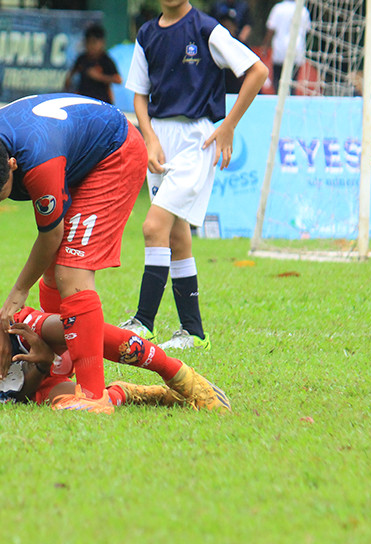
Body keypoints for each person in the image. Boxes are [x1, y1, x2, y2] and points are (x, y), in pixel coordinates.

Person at [0, 93, 149, 413]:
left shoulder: (39, 163)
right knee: (52, 274)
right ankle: (67, 363)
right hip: (75, 154)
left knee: (70, 271)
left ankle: (93, 396)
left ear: (12, 165)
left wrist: (19, 291)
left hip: (114, 152)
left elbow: (51, 235)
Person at [118, 0, 268, 350]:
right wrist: (150, 138)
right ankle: (194, 332)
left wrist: (228, 126)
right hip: (160, 142)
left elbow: (257, 71)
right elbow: (139, 96)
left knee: (153, 226)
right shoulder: (147, 34)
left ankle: (143, 322)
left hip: (195, 142)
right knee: (177, 235)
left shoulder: (206, 29)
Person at [0, 292, 230, 412]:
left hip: (25, 328)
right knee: (66, 404)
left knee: (69, 328)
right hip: (40, 370)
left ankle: (177, 373)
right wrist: (43, 365)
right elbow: (21, 392)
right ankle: (136, 393)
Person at [63, 23, 122, 105]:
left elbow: (118, 80)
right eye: (88, 42)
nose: (91, 46)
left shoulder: (106, 60)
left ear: (102, 43)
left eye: (94, 42)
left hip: (101, 102)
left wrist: (99, 77)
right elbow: (70, 76)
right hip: (83, 101)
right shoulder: (82, 59)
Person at [262, 0, 310, 94]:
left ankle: (279, 102)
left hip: (280, 49)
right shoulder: (303, 10)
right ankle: (290, 100)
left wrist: (265, 46)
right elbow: (306, 30)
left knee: (278, 80)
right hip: (296, 49)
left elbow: (271, 29)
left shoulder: (278, 8)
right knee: (292, 81)